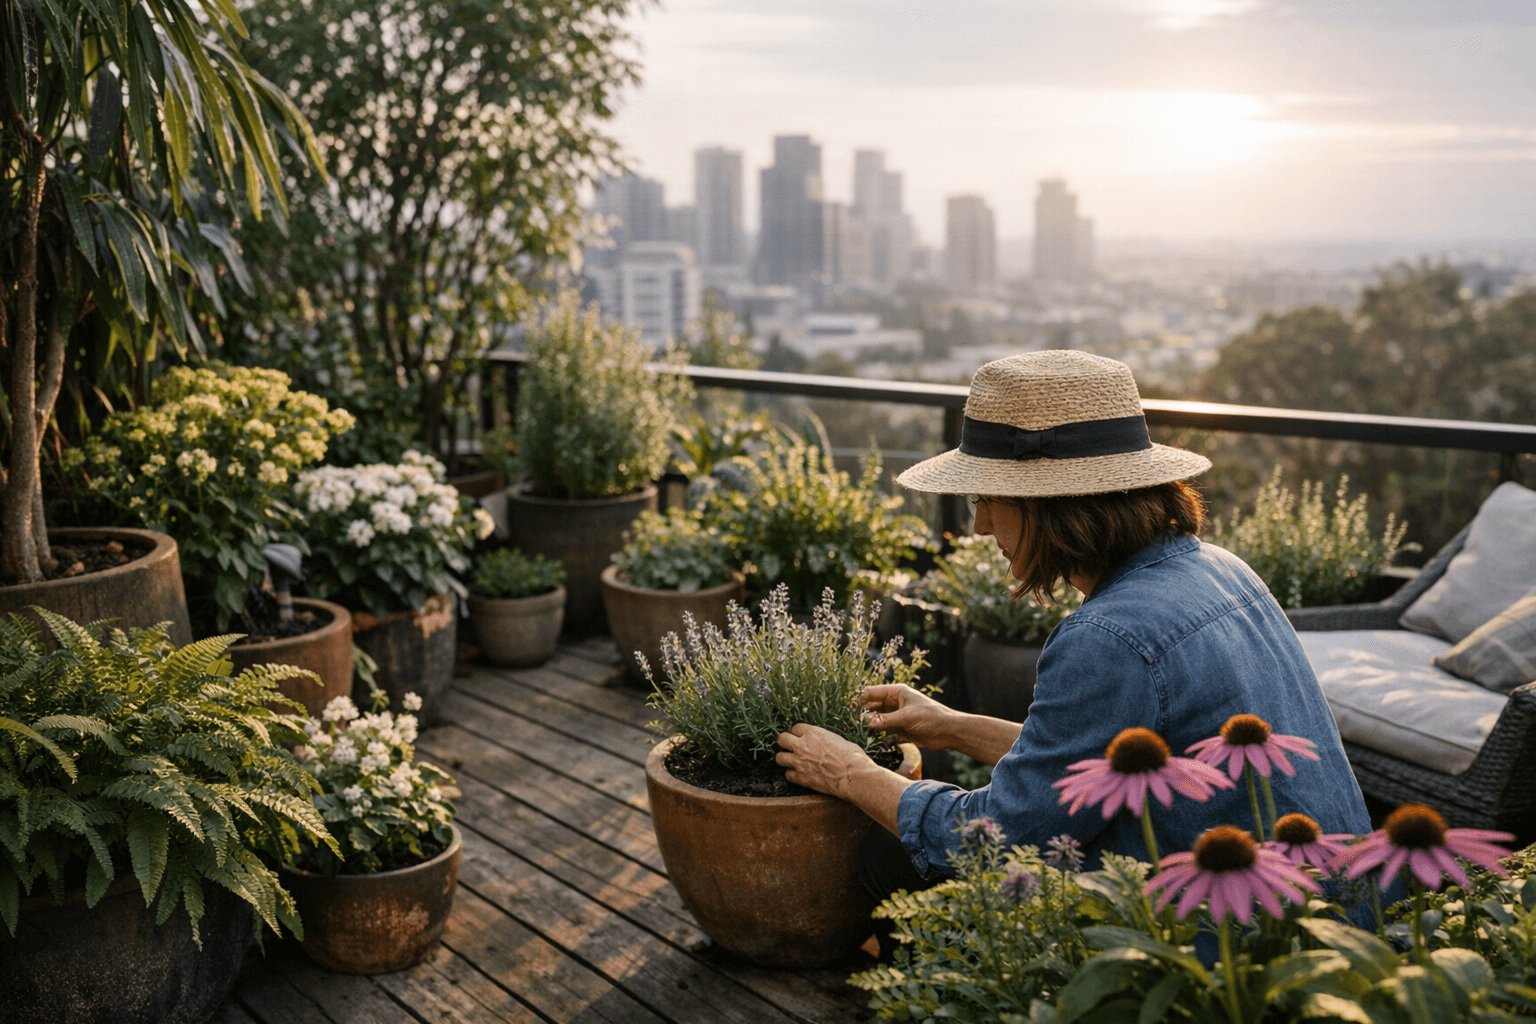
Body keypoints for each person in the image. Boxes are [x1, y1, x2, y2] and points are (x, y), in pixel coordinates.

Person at [773, 350, 1371, 946]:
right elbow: (1103, 768)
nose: (978, 526)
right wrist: (952, 726)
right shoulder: (1222, 569)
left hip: (1236, 951)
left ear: (1048, 504)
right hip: (1340, 922)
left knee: (889, 853)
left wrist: (848, 771)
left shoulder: (1107, 637)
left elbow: (996, 838)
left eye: (986, 498)